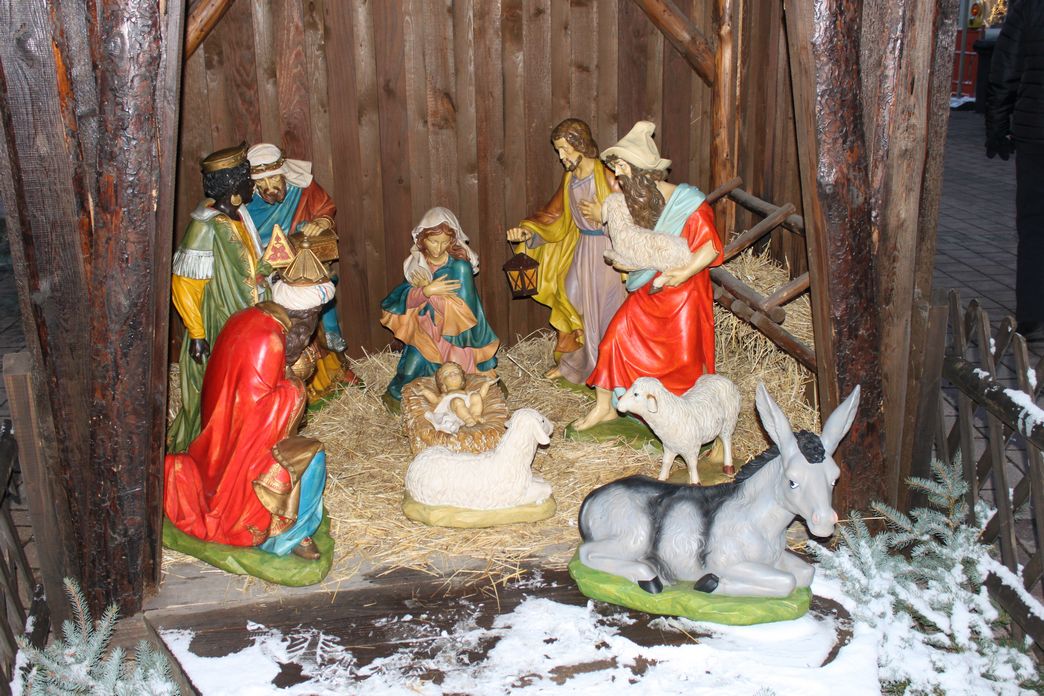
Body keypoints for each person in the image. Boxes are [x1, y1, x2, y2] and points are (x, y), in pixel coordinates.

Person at [163, 249, 335, 561]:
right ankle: (284, 537)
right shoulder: (270, 341)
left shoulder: (247, 318)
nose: (307, 338)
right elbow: (260, 419)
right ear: (302, 320)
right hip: (238, 467)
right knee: (313, 457)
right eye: (312, 324)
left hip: (219, 442)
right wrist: (296, 385)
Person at [574, 121, 724, 431]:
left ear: (642, 171)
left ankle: (687, 420)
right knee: (613, 340)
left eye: (622, 169)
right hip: (649, 292)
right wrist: (632, 265)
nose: (617, 176)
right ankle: (604, 407)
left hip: (683, 295)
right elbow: (641, 247)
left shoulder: (689, 204)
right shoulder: (638, 202)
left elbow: (710, 248)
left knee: (685, 359)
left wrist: (681, 274)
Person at [506, 118, 626, 383]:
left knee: (606, 312)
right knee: (570, 298)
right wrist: (528, 233)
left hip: (607, 252)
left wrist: (605, 214)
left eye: (564, 149)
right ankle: (575, 362)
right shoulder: (570, 177)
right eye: (558, 150)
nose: (561, 156)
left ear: (580, 144)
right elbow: (554, 214)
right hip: (582, 248)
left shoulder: (606, 174)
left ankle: (609, 369)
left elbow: (631, 212)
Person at [169, 144, 266, 453]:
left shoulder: (239, 216)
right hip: (218, 324)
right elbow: (185, 284)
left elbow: (248, 267)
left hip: (246, 322)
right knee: (219, 392)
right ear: (233, 187)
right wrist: (198, 334)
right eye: (248, 180)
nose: (253, 186)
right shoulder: (205, 226)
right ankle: (213, 451)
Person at [244, 143, 359, 395]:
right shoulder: (246, 203)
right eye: (261, 182)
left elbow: (326, 207)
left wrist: (321, 222)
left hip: (303, 266)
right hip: (267, 271)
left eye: (274, 178)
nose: (269, 187)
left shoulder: (302, 188)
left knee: (318, 314)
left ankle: (334, 371)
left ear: (283, 173)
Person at [380, 207, 500, 401]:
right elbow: (402, 298)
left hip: (456, 338)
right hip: (424, 333)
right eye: (433, 241)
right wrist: (425, 291)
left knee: (460, 383)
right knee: (405, 380)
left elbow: (463, 312)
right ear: (422, 239)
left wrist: (430, 293)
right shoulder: (417, 263)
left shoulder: (460, 267)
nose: (438, 247)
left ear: (452, 240)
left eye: (444, 242)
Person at [986, 1, 1044, 342]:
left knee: (1034, 225)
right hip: (1034, 129)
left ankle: (1032, 314)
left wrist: (997, 125)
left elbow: (1005, 66)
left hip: (1035, 131)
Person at [418, 362, 499, 433]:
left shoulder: (466, 392)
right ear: (442, 383)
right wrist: (425, 391)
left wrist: (486, 385)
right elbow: (435, 400)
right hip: (452, 410)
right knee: (457, 401)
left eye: (456, 372)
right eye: (447, 373)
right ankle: (468, 419)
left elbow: (481, 395)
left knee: (475, 396)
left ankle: (476, 415)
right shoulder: (445, 395)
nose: (452, 374)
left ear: (462, 379)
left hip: (468, 407)